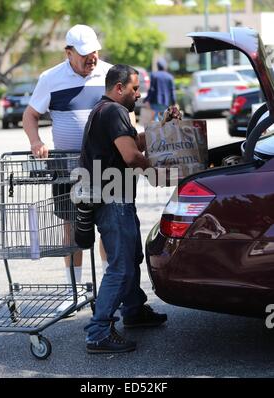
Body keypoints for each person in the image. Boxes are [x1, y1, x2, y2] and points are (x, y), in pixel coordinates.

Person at [79, 64, 180, 354]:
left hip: (115, 196)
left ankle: (134, 311)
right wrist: (158, 169)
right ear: (119, 88)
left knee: (131, 256)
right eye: (134, 88)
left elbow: (133, 142)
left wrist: (163, 127)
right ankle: (98, 332)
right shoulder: (113, 111)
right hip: (113, 199)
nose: (139, 94)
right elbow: (131, 155)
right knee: (121, 265)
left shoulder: (107, 110)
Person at [23, 24, 111, 295]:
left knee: (108, 226)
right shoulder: (50, 78)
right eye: (84, 54)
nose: (91, 58)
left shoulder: (109, 73)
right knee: (72, 227)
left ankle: (111, 289)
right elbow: (30, 115)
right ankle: (73, 289)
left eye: (94, 52)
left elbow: (125, 113)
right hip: (67, 168)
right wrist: (36, 142)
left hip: (105, 164)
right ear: (68, 53)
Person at [144, 57, 176, 121]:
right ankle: (163, 130)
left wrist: (147, 99)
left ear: (157, 66)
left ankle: (157, 130)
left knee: (156, 117)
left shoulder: (154, 75)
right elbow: (172, 91)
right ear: (165, 66)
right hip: (165, 102)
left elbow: (151, 89)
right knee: (164, 117)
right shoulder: (170, 77)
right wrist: (174, 102)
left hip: (155, 101)